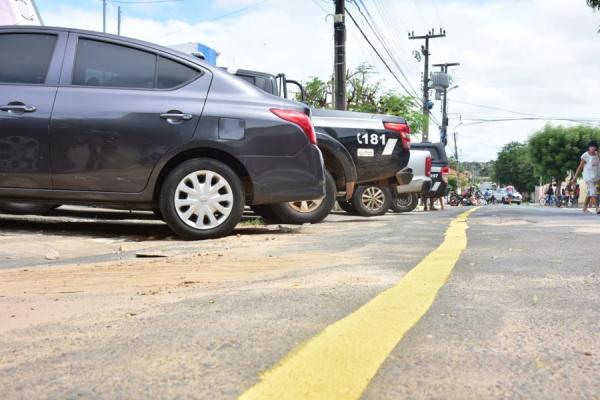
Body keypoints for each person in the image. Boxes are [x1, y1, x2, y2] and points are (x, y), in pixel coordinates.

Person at [571, 141, 600, 214]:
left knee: (590, 192)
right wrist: (575, 177)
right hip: (588, 176)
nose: (592, 148)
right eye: (591, 146)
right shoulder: (585, 155)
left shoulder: (598, 155)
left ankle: (584, 208)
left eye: (594, 146)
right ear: (589, 147)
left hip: (596, 176)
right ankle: (597, 208)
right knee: (593, 191)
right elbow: (580, 167)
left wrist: (598, 154)